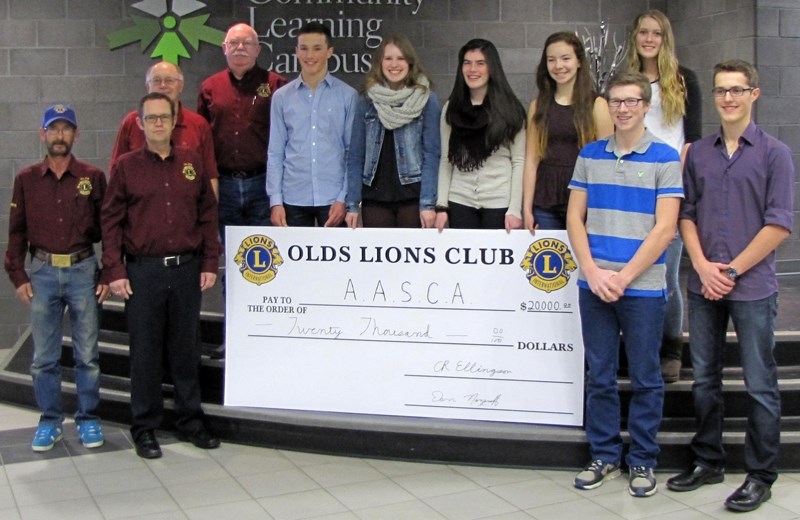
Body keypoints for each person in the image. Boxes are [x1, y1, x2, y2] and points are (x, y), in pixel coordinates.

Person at [667, 60, 794, 512]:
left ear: (754, 94)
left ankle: (761, 475)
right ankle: (708, 461)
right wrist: (701, 265)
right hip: (704, 284)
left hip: (752, 285)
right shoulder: (699, 152)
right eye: (721, 90)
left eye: (737, 90)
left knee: (760, 384)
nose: (727, 98)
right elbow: (685, 213)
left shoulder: (775, 153)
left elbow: (778, 225)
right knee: (705, 380)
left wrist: (731, 271)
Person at [567, 72, 683, 497]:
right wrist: (595, 273)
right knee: (599, 374)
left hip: (643, 288)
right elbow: (573, 219)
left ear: (646, 105)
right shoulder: (590, 155)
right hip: (593, 286)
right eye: (616, 101)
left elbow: (665, 227)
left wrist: (624, 276)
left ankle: (643, 461)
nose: (623, 108)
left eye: (632, 101)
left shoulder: (665, 158)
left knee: (646, 376)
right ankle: (604, 455)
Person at [102, 92, 221, 459]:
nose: (157, 123)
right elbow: (110, 223)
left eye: (163, 117)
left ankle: (190, 421)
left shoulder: (191, 162)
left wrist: (209, 262)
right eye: (150, 118)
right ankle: (145, 427)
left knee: (185, 351)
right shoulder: (126, 167)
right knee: (146, 354)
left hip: (186, 271)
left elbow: (207, 214)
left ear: (173, 122)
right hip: (143, 273)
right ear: (140, 123)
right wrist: (115, 269)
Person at [4, 105, 108, 452]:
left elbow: (109, 229)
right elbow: (16, 233)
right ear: (42, 134)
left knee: (87, 355)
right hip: (44, 272)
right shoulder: (27, 179)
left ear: (76, 135)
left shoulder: (92, 177)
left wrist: (108, 270)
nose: (60, 136)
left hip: (82, 271)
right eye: (54, 129)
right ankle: (50, 421)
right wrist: (18, 275)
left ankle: (88, 418)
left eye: (66, 129)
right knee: (44, 357)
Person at [628, 9, 702, 383]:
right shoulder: (624, 80)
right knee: (632, 269)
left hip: (668, 185)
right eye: (643, 32)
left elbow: (693, 141)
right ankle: (638, 345)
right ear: (635, 36)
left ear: (665, 38)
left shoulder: (684, 79)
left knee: (666, 274)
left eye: (656, 33)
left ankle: (671, 348)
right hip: (631, 187)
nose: (649, 39)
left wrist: (678, 184)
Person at [198, 23, 287, 242]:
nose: (240, 47)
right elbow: (202, 137)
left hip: (263, 182)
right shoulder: (209, 87)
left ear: (257, 49)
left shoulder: (276, 84)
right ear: (224, 48)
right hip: (224, 183)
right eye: (234, 43)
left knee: (266, 248)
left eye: (247, 43)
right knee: (231, 250)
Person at [345, 35, 441, 229]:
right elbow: (355, 155)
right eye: (388, 58)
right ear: (380, 63)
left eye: (400, 58)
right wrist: (352, 205)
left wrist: (428, 204)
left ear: (410, 62)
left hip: (414, 198)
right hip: (375, 197)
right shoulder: (366, 99)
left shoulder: (427, 99)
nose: (394, 64)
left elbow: (432, 154)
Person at [267, 21, 357, 227]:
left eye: (317, 48)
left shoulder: (348, 96)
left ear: (329, 52)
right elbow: (275, 152)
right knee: (292, 260)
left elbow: (351, 153)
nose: (310, 55)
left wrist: (344, 197)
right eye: (304, 49)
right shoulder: (281, 97)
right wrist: (276, 201)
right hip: (292, 198)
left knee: (336, 259)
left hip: (334, 199)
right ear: (296, 52)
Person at [522, 32, 613, 232]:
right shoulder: (537, 106)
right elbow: (531, 160)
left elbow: (606, 163)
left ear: (579, 61)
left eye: (565, 58)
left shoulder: (597, 105)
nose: (558, 66)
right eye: (551, 60)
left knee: (583, 262)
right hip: (545, 201)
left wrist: (600, 208)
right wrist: (526, 208)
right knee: (550, 261)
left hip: (585, 199)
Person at [435, 39, 526, 232]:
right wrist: (442, 206)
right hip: (459, 201)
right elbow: (446, 160)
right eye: (467, 63)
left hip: (500, 203)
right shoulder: (451, 109)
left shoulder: (511, 109)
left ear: (492, 68)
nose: (472, 69)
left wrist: (515, 210)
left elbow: (519, 161)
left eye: (480, 63)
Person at [111, 61, 219, 198]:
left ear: (181, 85)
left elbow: (210, 177)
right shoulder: (131, 122)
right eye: (156, 80)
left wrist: (210, 215)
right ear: (147, 86)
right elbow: (116, 174)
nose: (163, 85)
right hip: (140, 212)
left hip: (187, 213)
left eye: (169, 80)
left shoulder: (199, 124)